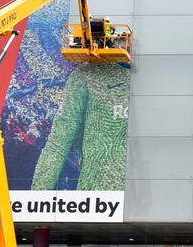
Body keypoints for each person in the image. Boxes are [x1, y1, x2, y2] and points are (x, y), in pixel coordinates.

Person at [31, 62, 130, 191]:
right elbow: (57, 145)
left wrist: (37, 200)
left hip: (100, 198)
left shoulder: (86, 75)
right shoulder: (86, 75)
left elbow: (57, 145)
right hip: (127, 199)